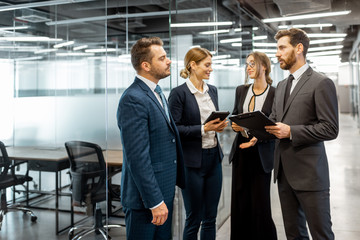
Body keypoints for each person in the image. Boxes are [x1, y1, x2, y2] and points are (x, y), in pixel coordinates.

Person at [265, 28, 339, 239]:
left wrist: (291, 132)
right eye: (277, 48)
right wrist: (252, 129)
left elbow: (330, 128)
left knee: (321, 233)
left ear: (299, 48)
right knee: (294, 234)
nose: (277, 53)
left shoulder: (320, 82)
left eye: (282, 48)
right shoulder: (280, 86)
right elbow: (273, 120)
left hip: (310, 175)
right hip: (284, 174)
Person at [117, 37, 185, 240]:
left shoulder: (156, 92)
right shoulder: (133, 99)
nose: (169, 61)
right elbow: (138, 157)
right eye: (162, 58)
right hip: (146, 201)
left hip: (163, 191)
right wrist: (155, 202)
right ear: (146, 65)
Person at [168, 47, 227, 240]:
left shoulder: (213, 90)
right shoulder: (179, 94)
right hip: (192, 163)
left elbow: (211, 123)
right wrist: (204, 128)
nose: (211, 69)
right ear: (193, 65)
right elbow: (175, 129)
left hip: (213, 160)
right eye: (207, 65)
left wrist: (218, 127)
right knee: (194, 218)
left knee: (210, 217)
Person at [229, 51, 277, 240]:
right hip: (241, 150)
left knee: (260, 203)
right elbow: (235, 114)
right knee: (240, 201)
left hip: (261, 153)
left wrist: (257, 136)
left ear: (263, 66)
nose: (248, 67)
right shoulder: (241, 90)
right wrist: (234, 125)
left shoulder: (275, 92)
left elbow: (274, 125)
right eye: (247, 64)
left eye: (252, 63)